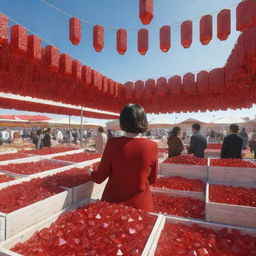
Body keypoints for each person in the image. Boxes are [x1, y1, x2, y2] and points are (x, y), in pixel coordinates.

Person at [89, 104, 158, 212]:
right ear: (143, 121)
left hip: (113, 205)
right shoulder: (152, 146)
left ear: (122, 122)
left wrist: (90, 172)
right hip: (141, 205)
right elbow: (152, 179)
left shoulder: (112, 143)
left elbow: (99, 177)